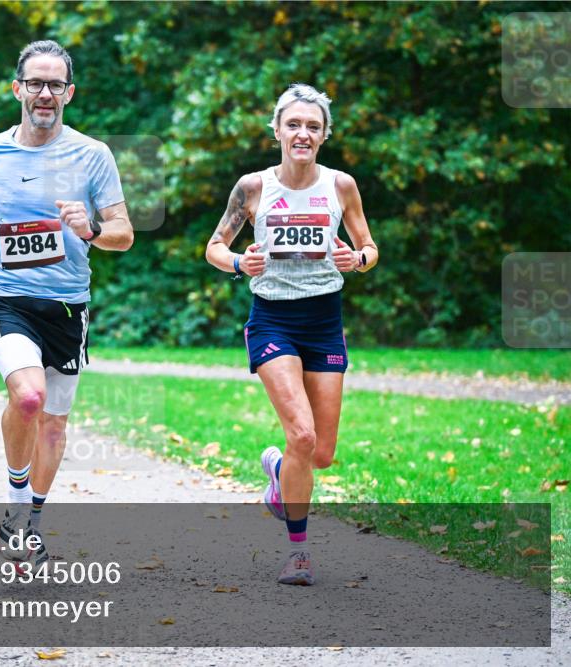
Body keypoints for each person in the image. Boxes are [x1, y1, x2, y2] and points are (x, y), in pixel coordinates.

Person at [0, 40, 133, 569]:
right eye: (35, 83)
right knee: (28, 399)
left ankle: (30, 523)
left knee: (53, 422)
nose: (45, 93)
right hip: (7, 299)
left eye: (55, 85)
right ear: (18, 89)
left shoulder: (93, 154)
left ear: (69, 94)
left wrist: (91, 228)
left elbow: (122, 233)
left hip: (68, 306)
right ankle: (12, 504)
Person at [205, 83, 378, 585]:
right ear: (277, 130)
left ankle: (280, 472)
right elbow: (215, 246)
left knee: (319, 452)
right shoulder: (253, 188)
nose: (303, 133)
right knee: (301, 433)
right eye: (294, 124)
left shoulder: (341, 186)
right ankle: (299, 552)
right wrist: (239, 261)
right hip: (273, 319)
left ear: (324, 135)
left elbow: (369, 246)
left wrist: (357, 259)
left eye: (313, 126)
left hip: (324, 322)